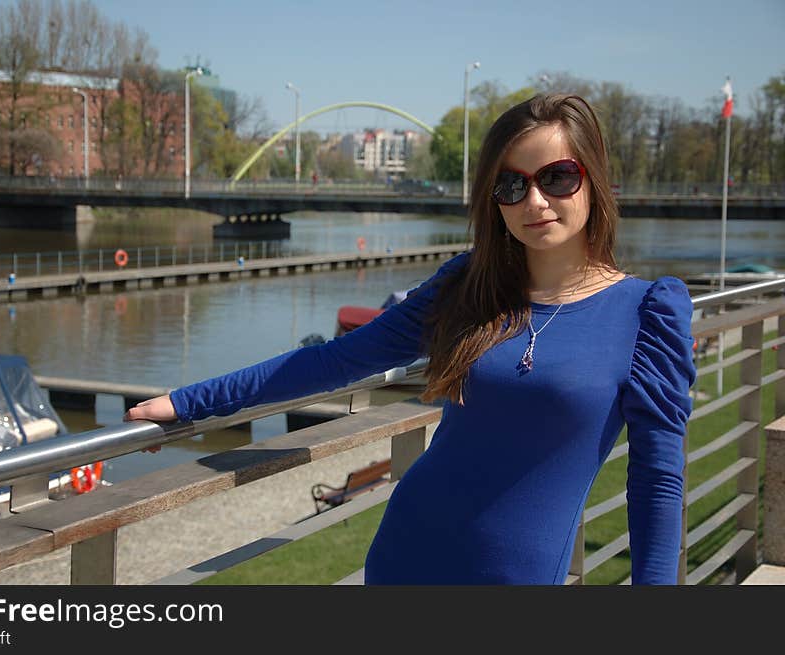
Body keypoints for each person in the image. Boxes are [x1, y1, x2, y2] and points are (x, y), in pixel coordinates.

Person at [124, 94, 696, 585]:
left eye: (557, 177)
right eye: (511, 185)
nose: (535, 202)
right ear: (492, 201)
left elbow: (657, 483)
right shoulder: (466, 287)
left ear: (593, 179)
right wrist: (188, 404)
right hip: (408, 555)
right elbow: (337, 360)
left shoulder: (649, 315)